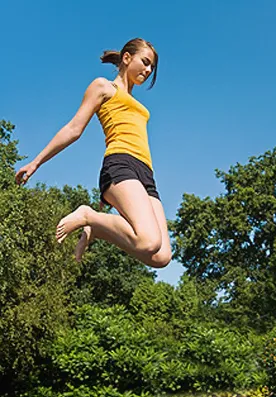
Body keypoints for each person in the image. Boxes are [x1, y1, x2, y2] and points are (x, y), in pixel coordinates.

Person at [15, 38, 172, 269]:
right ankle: (88, 216)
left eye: (152, 68)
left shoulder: (136, 102)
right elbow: (73, 128)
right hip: (121, 165)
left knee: (161, 257)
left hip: (146, 173)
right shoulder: (104, 87)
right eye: (145, 62)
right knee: (148, 241)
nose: (148, 70)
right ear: (127, 58)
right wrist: (36, 162)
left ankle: (97, 228)